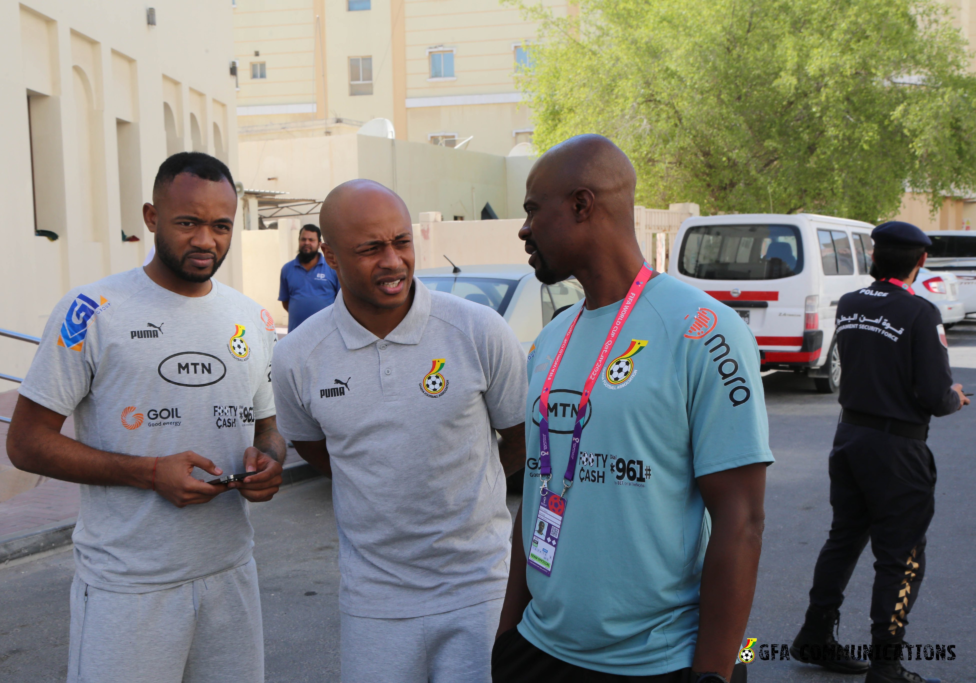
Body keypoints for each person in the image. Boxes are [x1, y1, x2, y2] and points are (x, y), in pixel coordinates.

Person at [494, 134, 772, 683]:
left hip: (659, 663)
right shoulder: (552, 339)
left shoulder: (706, 330)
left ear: (581, 205)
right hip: (538, 651)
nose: (523, 229)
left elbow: (741, 522)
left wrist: (714, 673)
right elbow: (539, 488)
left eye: (532, 211)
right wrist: (507, 637)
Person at [6, 152, 286, 683]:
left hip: (230, 576)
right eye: (188, 222)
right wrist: (149, 472)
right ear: (151, 217)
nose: (206, 240)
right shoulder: (91, 311)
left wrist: (268, 462)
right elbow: (25, 444)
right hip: (127, 587)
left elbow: (268, 427)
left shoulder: (250, 317)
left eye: (221, 226)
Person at [271, 179, 528, 683]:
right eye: (370, 249)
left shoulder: (479, 332)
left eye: (401, 242)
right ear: (331, 257)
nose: (392, 261)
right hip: (374, 600)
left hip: (478, 589)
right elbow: (314, 448)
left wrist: (464, 485)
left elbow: (520, 438)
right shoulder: (297, 356)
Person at [791, 221, 967, 683]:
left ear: (874, 257)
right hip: (897, 449)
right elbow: (933, 395)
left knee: (844, 538)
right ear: (921, 261)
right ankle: (886, 664)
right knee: (901, 556)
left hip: (850, 438)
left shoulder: (850, 303)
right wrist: (955, 395)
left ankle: (815, 634)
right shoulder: (920, 313)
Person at [278, 223, 340, 330]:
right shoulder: (287, 269)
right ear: (299, 241)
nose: (306, 243)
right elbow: (286, 302)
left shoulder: (332, 268)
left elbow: (341, 300)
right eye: (303, 239)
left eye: (311, 240)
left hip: (326, 333)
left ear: (319, 244)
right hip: (296, 333)